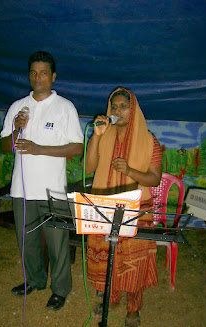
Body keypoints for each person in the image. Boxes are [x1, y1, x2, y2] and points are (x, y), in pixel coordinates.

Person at [0, 51, 83, 311]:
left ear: (53, 76)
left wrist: (39, 148)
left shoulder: (65, 107)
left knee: (57, 242)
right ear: (29, 75)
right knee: (27, 241)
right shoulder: (17, 107)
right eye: (33, 73)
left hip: (52, 190)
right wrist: (16, 128)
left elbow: (77, 148)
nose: (38, 78)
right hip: (21, 189)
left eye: (43, 73)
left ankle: (59, 290)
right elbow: (5, 146)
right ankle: (34, 280)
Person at [84, 87, 163, 326]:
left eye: (123, 107)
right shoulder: (103, 134)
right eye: (114, 107)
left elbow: (155, 179)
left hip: (136, 211)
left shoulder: (150, 141)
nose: (118, 111)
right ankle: (110, 297)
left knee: (134, 264)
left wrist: (130, 171)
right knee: (106, 258)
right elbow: (88, 168)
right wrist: (96, 137)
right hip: (104, 207)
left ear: (134, 109)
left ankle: (133, 309)